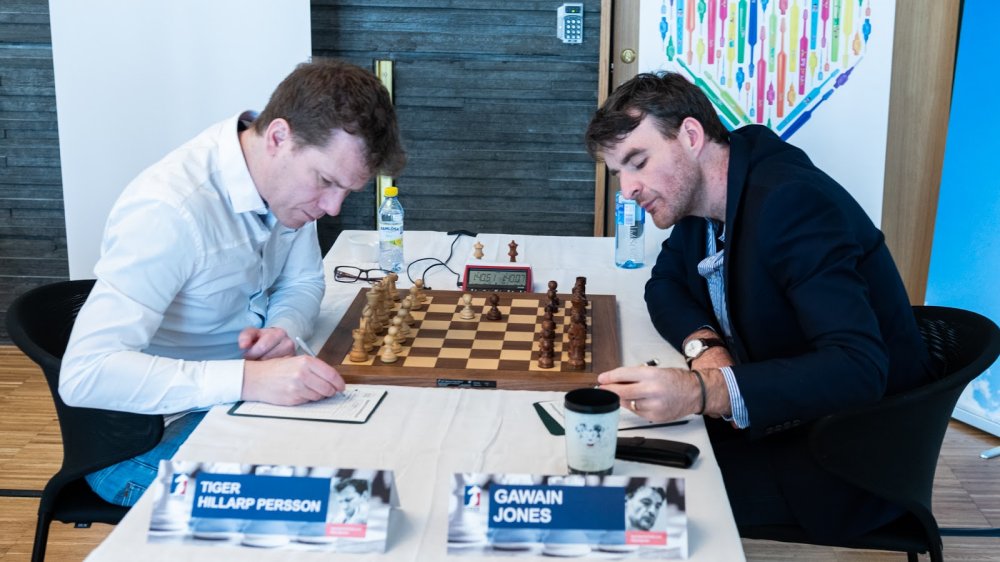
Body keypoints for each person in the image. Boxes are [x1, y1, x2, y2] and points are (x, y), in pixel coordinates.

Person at [587, 72, 935, 542]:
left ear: (690, 136)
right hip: (774, 415)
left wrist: (703, 391)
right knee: (606, 460)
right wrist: (705, 349)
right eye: (618, 173)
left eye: (638, 162)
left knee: (623, 504)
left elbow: (858, 368)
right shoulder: (704, 195)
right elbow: (665, 284)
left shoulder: (791, 202)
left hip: (841, 458)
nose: (628, 189)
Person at [59, 59, 406, 507]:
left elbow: (302, 282)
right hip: (147, 440)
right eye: (325, 181)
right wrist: (248, 379)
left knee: (385, 452)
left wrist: (283, 328)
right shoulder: (169, 211)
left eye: (346, 191)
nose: (333, 207)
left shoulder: (287, 191)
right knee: (333, 504)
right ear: (279, 137)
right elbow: (86, 374)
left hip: (237, 405)